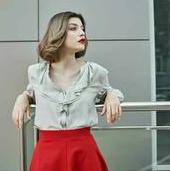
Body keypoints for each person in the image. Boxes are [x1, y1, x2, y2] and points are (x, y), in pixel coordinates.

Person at [12, 11, 124, 171]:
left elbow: (110, 91)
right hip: (47, 153)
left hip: (84, 152)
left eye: (82, 28)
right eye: (73, 28)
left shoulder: (95, 72)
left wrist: (112, 95)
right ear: (57, 33)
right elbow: (30, 93)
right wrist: (22, 97)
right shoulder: (36, 73)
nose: (82, 32)